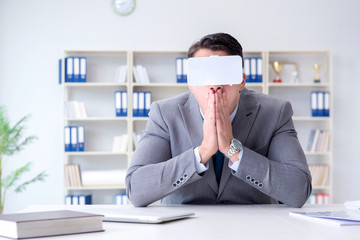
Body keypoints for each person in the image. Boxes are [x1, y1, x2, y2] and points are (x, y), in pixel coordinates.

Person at [126, 33, 312, 208]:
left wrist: (233, 151)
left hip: (253, 227)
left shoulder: (275, 112)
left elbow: (299, 191)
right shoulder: (165, 114)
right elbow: (136, 189)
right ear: (191, 83)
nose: (214, 85)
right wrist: (202, 152)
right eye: (204, 75)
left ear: (241, 80)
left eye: (224, 75)